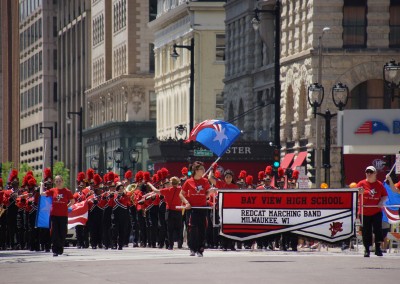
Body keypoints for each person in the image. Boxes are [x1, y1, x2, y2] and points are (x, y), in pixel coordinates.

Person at [180, 161, 213, 257]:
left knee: (202, 229)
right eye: (201, 169)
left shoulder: (205, 181)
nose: (203, 170)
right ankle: (192, 248)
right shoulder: (188, 181)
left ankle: (200, 249)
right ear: (196, 170)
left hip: (202, 208)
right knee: (192, 229)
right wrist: (186, 202)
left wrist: (209, 193)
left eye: (203, 169)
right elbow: (181, 194)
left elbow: (207, 194)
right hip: (192, 209)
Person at [357, 166, 388, 257]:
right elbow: (355, 193)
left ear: (375, 174)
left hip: (376, 211)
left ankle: (378, 248)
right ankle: (367, 249)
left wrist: (381, 202)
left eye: (371, 172)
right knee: (366, 231)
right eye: (367, 172)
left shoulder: (379, 184)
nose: (369, 174)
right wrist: (359, 192)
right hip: (364, 211)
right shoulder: (361, 183)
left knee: (378, 229)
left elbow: (385, 195)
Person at [41, 175, 75, 257]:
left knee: (62, 232)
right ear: (54, 182)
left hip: (63, 215)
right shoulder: (53, 190)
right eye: (57, 181)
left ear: (63, 181)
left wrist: (66, 206)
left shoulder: (67, 191)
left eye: (60, 181)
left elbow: (72, 201)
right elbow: (42, 194)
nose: (58, 183)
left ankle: (60, 247)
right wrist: (41, 185)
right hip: (54, 215)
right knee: (55, 232)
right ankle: (55, 250)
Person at [148, 176, 183, 250]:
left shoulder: (167, 190)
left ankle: (171, 245)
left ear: (171, 183)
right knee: (179, 228)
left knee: (170, 229)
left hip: (169, 211)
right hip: (178, 210)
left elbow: (156, 191)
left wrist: (150, 184)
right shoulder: (180, 189)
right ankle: (180, 242)